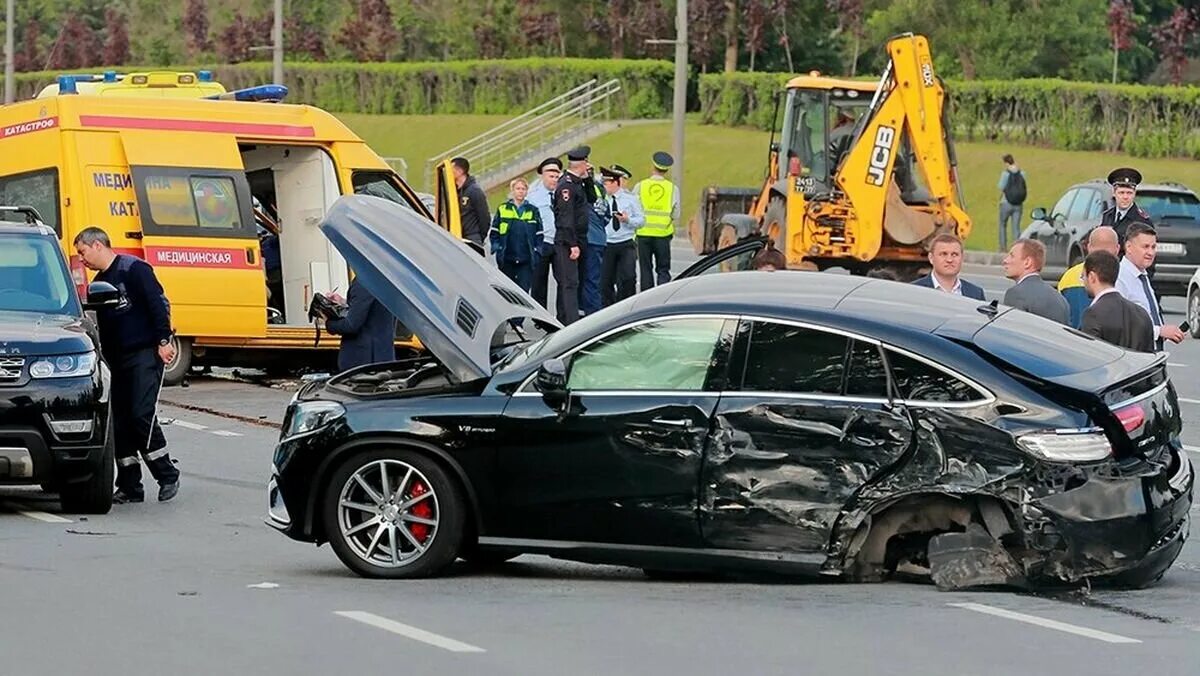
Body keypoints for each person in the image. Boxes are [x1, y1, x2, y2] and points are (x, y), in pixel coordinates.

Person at [73, 227, 180, 504]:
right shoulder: (99, 283)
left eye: (82, 252)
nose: (81, 259)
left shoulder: (134, 269)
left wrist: (164, 340)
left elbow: (158, 304)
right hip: (116, 360)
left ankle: (167, 474)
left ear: (97, 245)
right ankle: (131, 485)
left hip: (145, 353)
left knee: (141, 414)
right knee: (119, 421)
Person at [1115, 222, 1185, 352]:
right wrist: (1159, 331)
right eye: (1145, 247)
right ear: (1129, 247)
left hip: (1151, 353)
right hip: (1134, 356)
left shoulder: (1142, 275)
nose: (1150, 252)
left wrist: (1165, 332)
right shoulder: (1120, 278)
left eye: (1153, 247)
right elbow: (1120, 324)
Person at [1079, 251, 1154, 352]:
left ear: (1092, 277)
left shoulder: (1093, 314)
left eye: (1083, 276)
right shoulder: (1141, 313)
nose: (1083, 281)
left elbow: (1089, 355)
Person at [551, 146, 591, 325]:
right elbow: (565, 218)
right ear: (581, 163)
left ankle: (565, 318)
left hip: (579, 238)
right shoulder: (566, 186)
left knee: (576, 281)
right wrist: (572, 244)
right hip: (568, 241)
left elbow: (593, 199)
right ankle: (570, 323)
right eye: (586, 163)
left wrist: (588, 179)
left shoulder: (578, 183)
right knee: (569, 283)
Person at [324, 276, 397, 372]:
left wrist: (328, 322)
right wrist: (343, 302)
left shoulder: (364, 282)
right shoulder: (385, 279)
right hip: (382, 357)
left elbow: (351, 325)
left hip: (363, 362)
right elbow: (372, 310)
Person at [489, 177, 543, 295]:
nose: (520, 191)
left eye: (523, 189)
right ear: (512, 190)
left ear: (527, 191)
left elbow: (539, 233)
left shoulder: (533, 210)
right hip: (507, 257)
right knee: (507, 292)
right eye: (518, 188)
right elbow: (494, 231)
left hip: (526, 258)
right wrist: (496, 247)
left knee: (523, 292)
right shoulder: (503, 209)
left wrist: (537, 250)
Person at [1058, 226, 1119, 329]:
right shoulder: (1122, 276)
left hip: (1072, 341)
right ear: (1117, 249)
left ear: (1089, 247)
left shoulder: (1069, 276)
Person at [635, 151, 679, 291]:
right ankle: (663, 296)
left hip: (643, 233)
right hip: (663, 234)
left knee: (646, 269)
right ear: (666, 169)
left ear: (653, 167)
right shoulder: (672, 188)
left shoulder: (640, 186)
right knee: (663, 269)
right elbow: (676, 213)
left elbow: (633, 208)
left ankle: (646, 298)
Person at [600, 165, 644, 306]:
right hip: (607, 244)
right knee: (605, 281)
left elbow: (641, 221)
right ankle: (607, 310)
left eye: (606, 183)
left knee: (628, 279)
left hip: (625, 243)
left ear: (615, 183)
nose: (604, 186)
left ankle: (625, 308)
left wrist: (627, 220)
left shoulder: (631, 199)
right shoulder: (601, 199)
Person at [1002, 238, 1069, 324]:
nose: (1005, 261)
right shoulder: (1060, 298)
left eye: (1012, 256)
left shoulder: (1016, 294)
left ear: (1027, 262)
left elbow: (1013, 332)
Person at [527, 157, 561, 312]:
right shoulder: (532, 196)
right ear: (542, 175)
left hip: (561, 242)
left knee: (564, 280)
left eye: (556, 175)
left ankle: (563, 314)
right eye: (550, 175)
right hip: (542, 242)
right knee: (539, 280)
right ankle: (540, 315)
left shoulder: (564, 193)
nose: (554, 179)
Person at [911, 233, 986, 300]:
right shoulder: (914, 291)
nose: (949, 260)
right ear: (931, 258)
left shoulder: (976, 294)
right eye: (943, 254)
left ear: (962, 258)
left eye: (954, 254)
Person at [580, 164, 609, 317]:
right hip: (598, 238)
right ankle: (592, 312)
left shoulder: (584, 189)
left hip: (587, 238)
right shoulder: (601, 190)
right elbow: (607, 216)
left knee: (587, 279)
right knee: (593, 279)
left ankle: (590, 314)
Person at [1100, 167, 1151, 246]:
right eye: (1121, 193)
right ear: (1114, 193)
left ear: (1134, 194)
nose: (1125, 197)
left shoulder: (1141, 220)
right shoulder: (1107, 216)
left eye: (1129, 193)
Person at [452, 156, 490, 252]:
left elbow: (484, 217)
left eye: (452, 170)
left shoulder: (474, 191)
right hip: (458, 237)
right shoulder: (454, 193)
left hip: (472, 240)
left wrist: (479, 238)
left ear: (460, 171)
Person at [998, 154, 1027, 250]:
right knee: (1016, 227)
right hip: (1018, 204)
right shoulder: (1022, 173)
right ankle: (1016, 248)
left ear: (1006, 163)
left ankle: (1003, 248)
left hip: (1006, 203)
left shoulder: (1005, 174)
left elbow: (1001, 187)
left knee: (1002, 225)